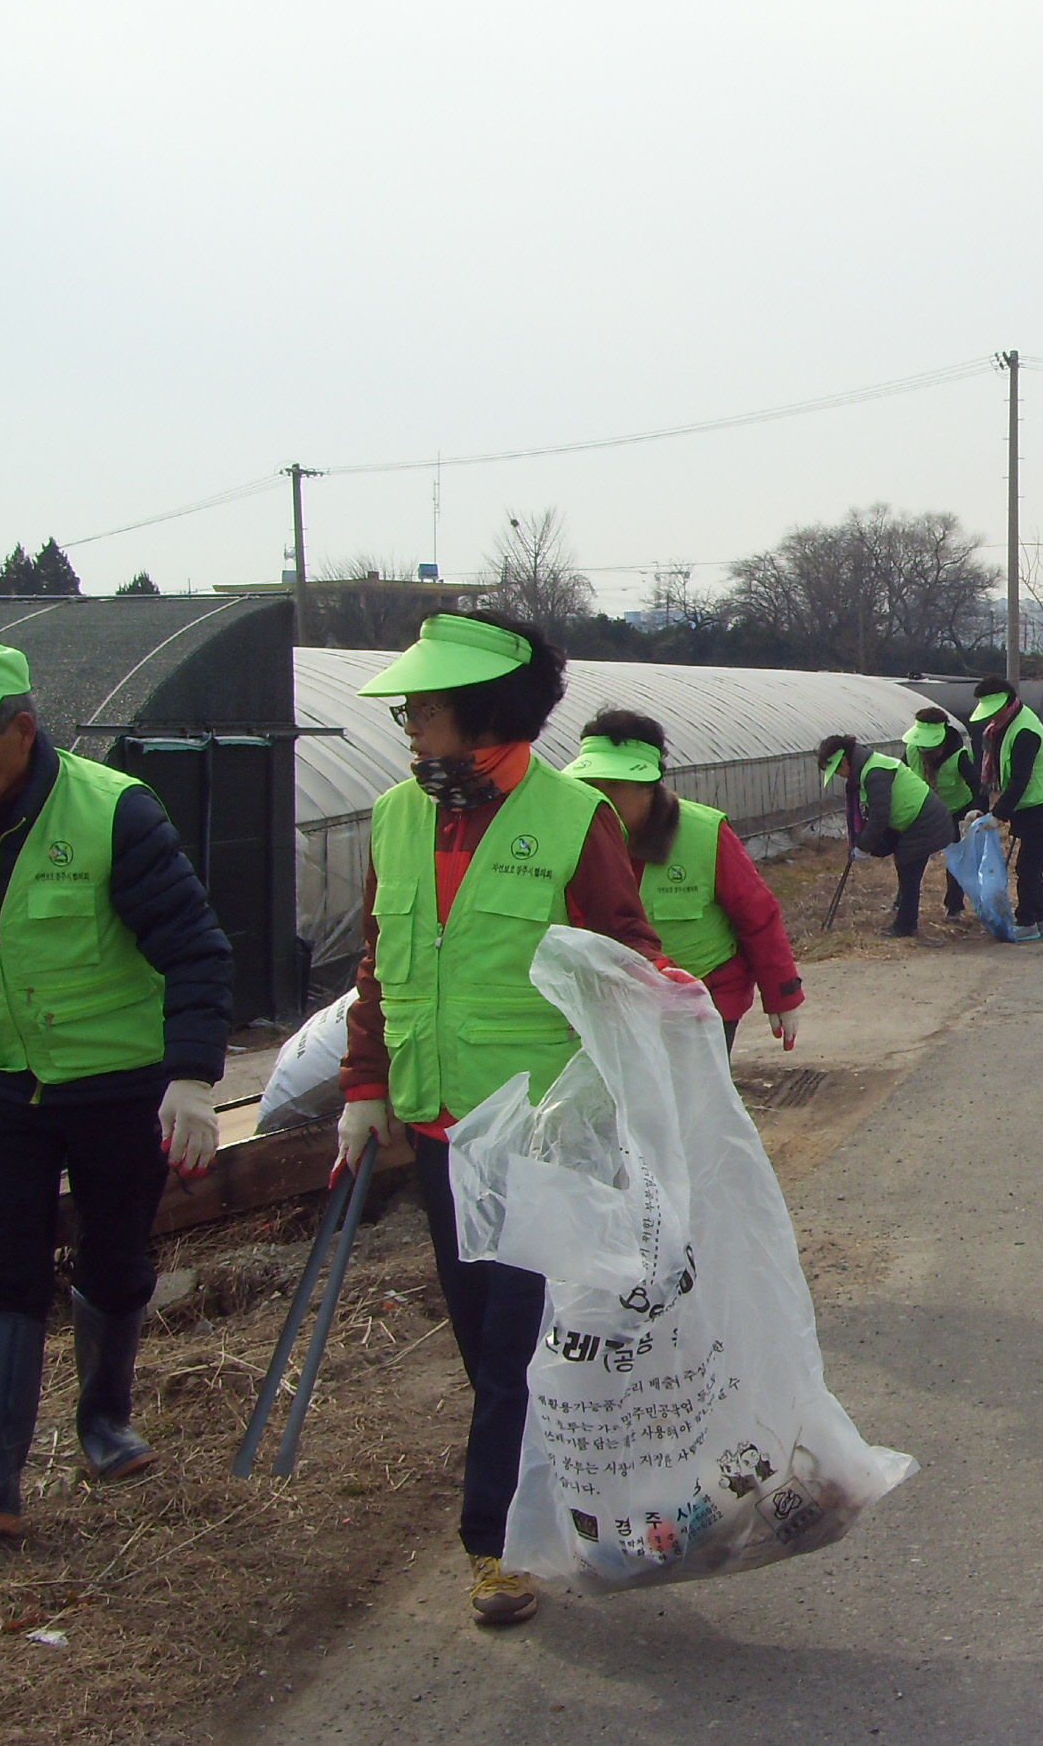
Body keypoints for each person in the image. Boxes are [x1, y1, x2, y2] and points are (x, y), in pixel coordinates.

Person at [333, 612, 676, 1630]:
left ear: (482, 711)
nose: (409, 722)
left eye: (426, 708)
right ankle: (550, 1502)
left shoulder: (573, 820)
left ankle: (492, 1543)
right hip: (441, 1131)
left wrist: (673, 1007)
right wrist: (362, 1087)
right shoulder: (396, 815)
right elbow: (376, 966)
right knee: (487, 1340)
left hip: (537, 1134)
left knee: (517, 1343)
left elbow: (626, 951)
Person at [0, 638, 231, 1538]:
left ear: (23, 729)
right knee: (1, 1258)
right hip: (4, 1080)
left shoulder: (113, 813)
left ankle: (104, 1422)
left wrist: (191, 1077)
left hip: (116, 1083)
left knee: (114, 1257)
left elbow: (193, 948)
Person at [566, 710, 805, 1054]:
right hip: (613, 1004)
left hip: (703, 1005)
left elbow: (758, 914)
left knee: (695, 1103)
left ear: (649, 787)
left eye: (614, 785)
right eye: (590, 785)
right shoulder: (574, 835)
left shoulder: (703, 834)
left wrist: (783, 993)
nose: (601, 798)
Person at [815, 733, 954, 938]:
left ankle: (905, 926)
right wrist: (862, 843)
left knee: (908, 869)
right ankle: (903, 916)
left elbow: (880, 816)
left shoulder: (874, 772)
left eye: (838, 770)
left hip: (925, 823)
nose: (839, 775)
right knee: (901, 864)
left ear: (844, 760)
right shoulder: (866, 768)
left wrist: (862, 846)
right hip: (912, 821)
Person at [970, 676, 1043, 941]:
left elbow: (1020, 779)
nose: (991, 716)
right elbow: (991, 772)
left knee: (1027, 867)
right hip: (1028, 806)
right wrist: (982, 807)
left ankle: (1027, 922)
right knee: (1030, 866)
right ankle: (1040, 918)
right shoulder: (999, 728)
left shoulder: (1024, 731)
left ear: (1007, 703)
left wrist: (998, 815)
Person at [901, 707, 979, 919]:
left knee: (955, 857)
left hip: (956, 809)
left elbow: (977, 784)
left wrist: (978, 812)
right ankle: (903, 900)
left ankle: (954, 906)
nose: (925, 752)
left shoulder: (959, 756)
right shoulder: (910, 750)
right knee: (913, 855)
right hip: (925, 810)